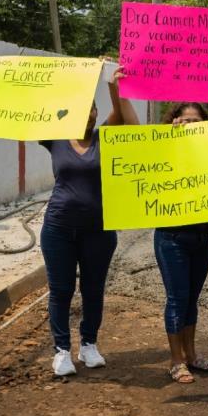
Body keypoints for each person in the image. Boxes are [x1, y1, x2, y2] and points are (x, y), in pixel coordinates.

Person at [40, 64, 138, 376]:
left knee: (93, 289)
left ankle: (89, 345)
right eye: (82, 108)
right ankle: (61, 351)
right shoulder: (54, 139)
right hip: (58, 229)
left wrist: (113, 84)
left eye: (93, 108)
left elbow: (122, 117)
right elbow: (30, 115)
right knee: (61, 290)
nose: (89, 114)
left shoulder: (104, 138)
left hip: (99, 230)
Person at [155, 102, 208, 384]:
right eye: (186, 120)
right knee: (176, 298)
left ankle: (191, 355)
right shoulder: (162, 151)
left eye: (197, 121)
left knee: (192, 299)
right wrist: (170, 139)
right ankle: (176, 360)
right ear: (174, 121)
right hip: (172, 237)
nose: (191, 125)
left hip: (203, 235)